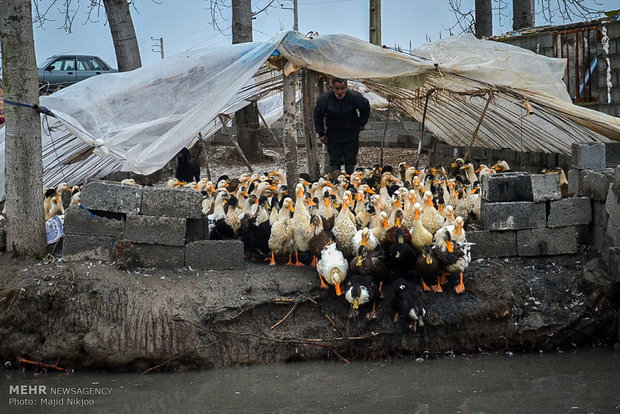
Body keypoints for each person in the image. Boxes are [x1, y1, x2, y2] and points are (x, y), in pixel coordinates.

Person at [313, 78, 370, 175]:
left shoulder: (354, 97)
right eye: (337, 89)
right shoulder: (324, 99)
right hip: (333, 133)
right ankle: (336, 183)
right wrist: (321, 133)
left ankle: (350, 182)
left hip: (351, 133)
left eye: (342, 89)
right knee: (335, 161)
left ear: (346, 88)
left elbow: (365, 107)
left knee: (350, 161)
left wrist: (361, 123)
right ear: (332, 88)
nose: (340, 92)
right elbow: (317, 115)